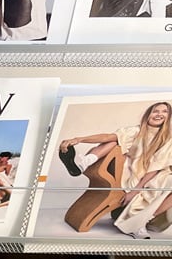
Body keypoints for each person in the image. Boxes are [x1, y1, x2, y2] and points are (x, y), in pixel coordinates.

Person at [59, 101, 172, 238]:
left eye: (164, 111)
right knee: (115, 140)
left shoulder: (168, 139)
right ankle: (83, 163)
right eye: (155, 111)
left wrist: (135, 191)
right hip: (130, 171)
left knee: (166, 181)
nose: (159, 114)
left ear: (169, 116)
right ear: (148, 114)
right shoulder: (136, 131)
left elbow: (155, 168)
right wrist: (79, 139)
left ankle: (141, 221)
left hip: (153, 174)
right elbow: (107, 137)